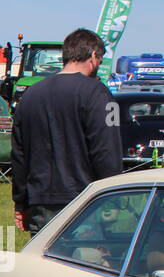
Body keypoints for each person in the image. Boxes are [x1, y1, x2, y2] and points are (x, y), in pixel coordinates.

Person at [11, 28, 122, 234]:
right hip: (85, 202)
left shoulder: (30, 95)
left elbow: (19, 154)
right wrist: (113, 196)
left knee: (45, 264)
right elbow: (107, 151)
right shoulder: (99, 93)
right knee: (85, 262)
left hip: (40, 201)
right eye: (99, 60)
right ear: (93, 56)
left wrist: (20, 201)